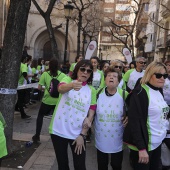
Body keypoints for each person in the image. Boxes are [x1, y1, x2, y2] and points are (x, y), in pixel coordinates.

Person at [49, 60, 96, 170]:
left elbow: (92, 112)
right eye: (82, 69)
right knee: (63, 165)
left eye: (89, 71)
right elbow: (60, 89)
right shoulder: (68, 79)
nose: (85, 72)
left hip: (77, 134)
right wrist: (72, 85)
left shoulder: (91, 90)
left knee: (80, 166)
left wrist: (83, 135)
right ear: (77, 69)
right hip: (58, 131)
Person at [123, 61, 169, 170]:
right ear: (149, 74)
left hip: (157, 143)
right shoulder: (140, 93)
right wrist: (142, 149)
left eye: (165, 75)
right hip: (144, 146)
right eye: (158, 75)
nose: (162, 78)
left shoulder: (159, 90)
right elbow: (134, 122)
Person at [95, 67, 128, 170]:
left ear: (119, 81)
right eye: (109, 76)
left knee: (116, 165)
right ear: (105, 79)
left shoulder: (124, 94)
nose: (111, 78)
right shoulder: (97, 93)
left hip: (118, 138)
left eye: (114, 76)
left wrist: (129, 117)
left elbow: (133, 111)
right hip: (101, 137)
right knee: (102, 165)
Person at [32, 58, 66, 143]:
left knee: (40, 116)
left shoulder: (45, 74)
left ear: (49, 65)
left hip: (47, 100)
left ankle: (37, 136)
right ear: (58, 66)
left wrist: (47, 89)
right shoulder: (63, 75)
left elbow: (39, 87)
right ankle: (59, 138)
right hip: (58, 102)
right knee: (58, 119)